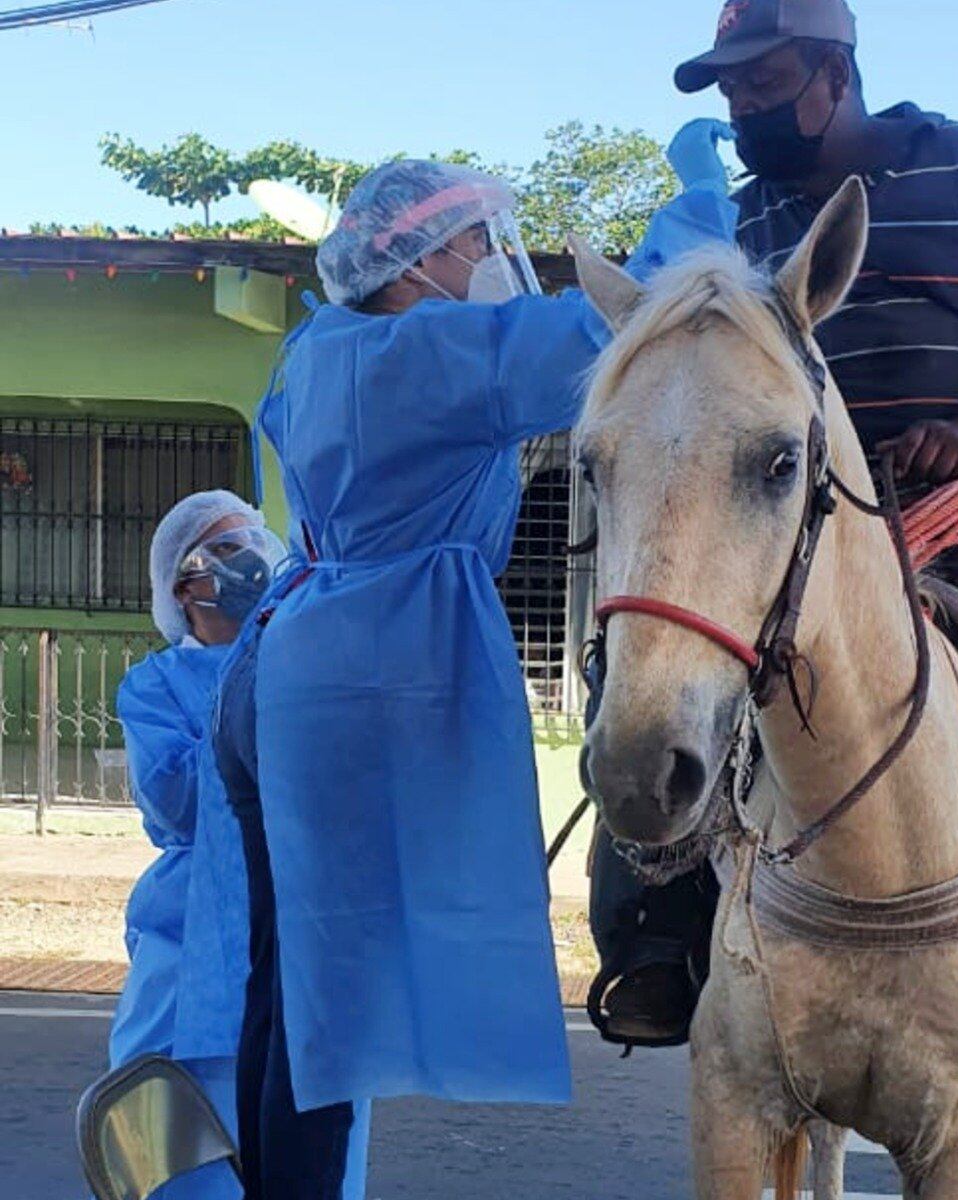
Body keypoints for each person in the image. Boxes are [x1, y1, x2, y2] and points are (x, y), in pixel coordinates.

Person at [589, 0, 958, 1105]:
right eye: (729, 90)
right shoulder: (751, 216)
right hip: (790, 506)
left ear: (833, 71)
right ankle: (651, 939)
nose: (741, 107)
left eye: (760, 84)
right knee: (647, 650)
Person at [212, 158, 737, 1200]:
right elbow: (606, 338)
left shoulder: (323, 345)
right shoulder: (426, 351)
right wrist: (701, 207)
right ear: (414, 261)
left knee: (290, 984)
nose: (497, 264)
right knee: (335, 1006)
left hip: (285, 662)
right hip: (354, 679)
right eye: (479, 243)